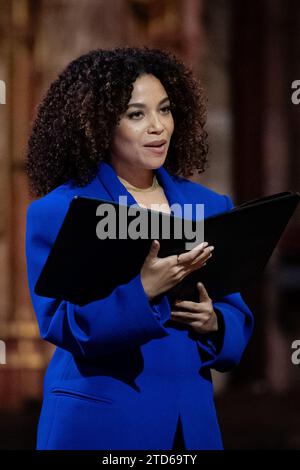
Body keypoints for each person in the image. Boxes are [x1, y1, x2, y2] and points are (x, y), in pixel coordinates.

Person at [25, 46, 254, 450]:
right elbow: (59, 323)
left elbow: (235, 316)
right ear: (98, 125)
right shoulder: (60, 211)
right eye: (137, 114)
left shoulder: (208, 206)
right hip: (101, 422)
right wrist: (143, 290)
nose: (158, 127)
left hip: (191, 426)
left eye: (164, 110)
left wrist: (214, 323)